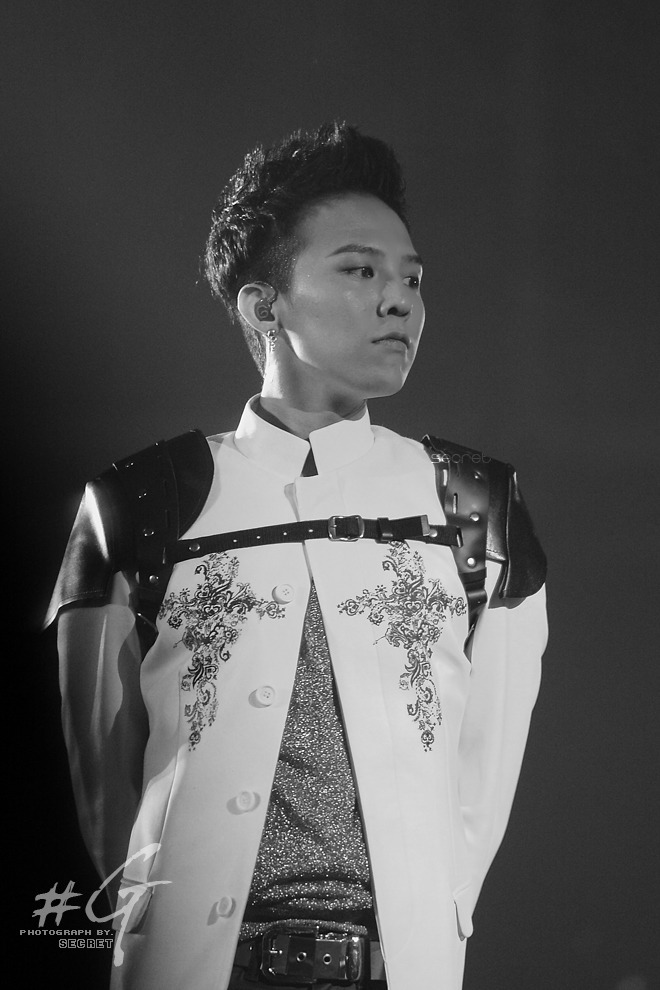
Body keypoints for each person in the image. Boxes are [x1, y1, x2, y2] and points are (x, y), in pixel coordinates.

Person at [46, 121, 548, 990]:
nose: (400, 301)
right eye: (359, 270)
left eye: (412, 279)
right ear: (262, 305)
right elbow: (106, 793)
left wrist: (435, 919)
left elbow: (485, 776)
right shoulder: (143, 499)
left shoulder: (473, 503)